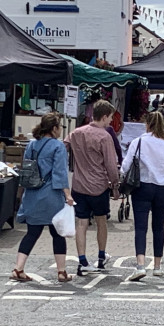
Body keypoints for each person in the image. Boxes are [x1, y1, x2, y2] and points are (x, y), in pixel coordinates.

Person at [11, 112, 76, 283]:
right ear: (54, 128)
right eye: (60, 126)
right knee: (58, 233)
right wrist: (68, 195)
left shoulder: (32, 145)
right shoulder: (58, 146)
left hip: (32, 194)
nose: (61, 129)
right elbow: (60, 173)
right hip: (51, 195)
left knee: (32, 233)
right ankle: (61, 272)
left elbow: (26, 170)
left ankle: (18, 268)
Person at [122, 110, 164, 281]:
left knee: (140, 227)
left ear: (147, 124)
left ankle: (140, 265)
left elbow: (125, 167)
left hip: (142, 187)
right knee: (158, 227)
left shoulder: (138, 141)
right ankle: (157, 266)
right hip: (162, 189)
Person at [65, 100, 119, 276]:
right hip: (98, 186)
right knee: (101, 221)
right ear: (104, 117)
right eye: (110, 117)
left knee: (81, 223)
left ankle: (82, 261)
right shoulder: (104, 137)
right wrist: (115, 185)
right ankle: (101, 257)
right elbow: (111, 165)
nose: (111, 121)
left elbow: (63, 145)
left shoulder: (76, 133)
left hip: (79, 185)